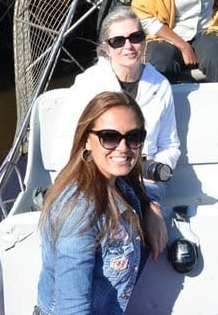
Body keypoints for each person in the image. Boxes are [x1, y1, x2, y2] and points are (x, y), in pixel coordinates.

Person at [35, 91, 167, 315]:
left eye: (133, 137)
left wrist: (150, 207)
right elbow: (72, 310)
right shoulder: (79, 212)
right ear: (87, 139)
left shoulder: (118, 183)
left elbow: (148, 188)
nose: (123, 147)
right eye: (110, 136)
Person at [53, 6, 180, 202]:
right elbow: (67, 140)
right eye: (118, 41)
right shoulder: (89, 83)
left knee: (151, 224)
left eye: (135, 37)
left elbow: (170, 144)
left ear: (145, 41)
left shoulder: (161, 85)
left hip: (144, 183)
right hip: (97, 179)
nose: (128, 46)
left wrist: (157, 167)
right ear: (106, 48)